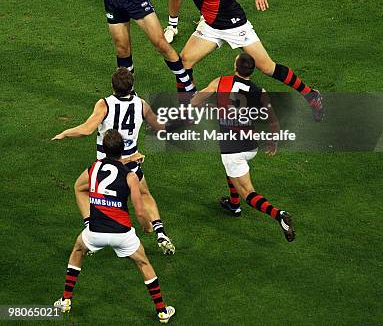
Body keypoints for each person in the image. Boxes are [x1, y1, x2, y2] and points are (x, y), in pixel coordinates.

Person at [156, 0, 324, 120]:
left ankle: (310, 94)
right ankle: (186, 107)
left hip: (236, 26)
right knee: (184, 62)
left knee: (267, 67)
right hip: (210, 26)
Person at [53, 129, 175, 323]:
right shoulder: (131, 177)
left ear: (103, 148)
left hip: (95, 232)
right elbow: (140, 210)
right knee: (144, 264)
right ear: (123, 149)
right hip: (122, 234)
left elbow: (83, 183)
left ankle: (65, 300)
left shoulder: (93, 168)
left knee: (77, 250)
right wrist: (147, 227)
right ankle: (162, 311)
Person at [52, 67, 175, 255]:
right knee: (144, 195)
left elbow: (86, 129)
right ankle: (160, 233)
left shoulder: (104, 104)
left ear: (112, 86)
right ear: (132, 86)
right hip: (132, 162)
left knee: (80, 188)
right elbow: (160, 127)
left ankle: (90, 227)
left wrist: (65, 133)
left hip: (106, 165)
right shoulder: (141, 104)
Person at [191, 53, 295, 242]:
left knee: (248, 192)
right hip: (250, 145)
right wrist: (273, 141)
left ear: (235, 67)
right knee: (231, 172)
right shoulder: (259, 91)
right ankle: (233, 204)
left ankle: (279, 215)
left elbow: (195, 101)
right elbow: (273, 121)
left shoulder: (221, 82)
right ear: (252, 71)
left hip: (233, 149)